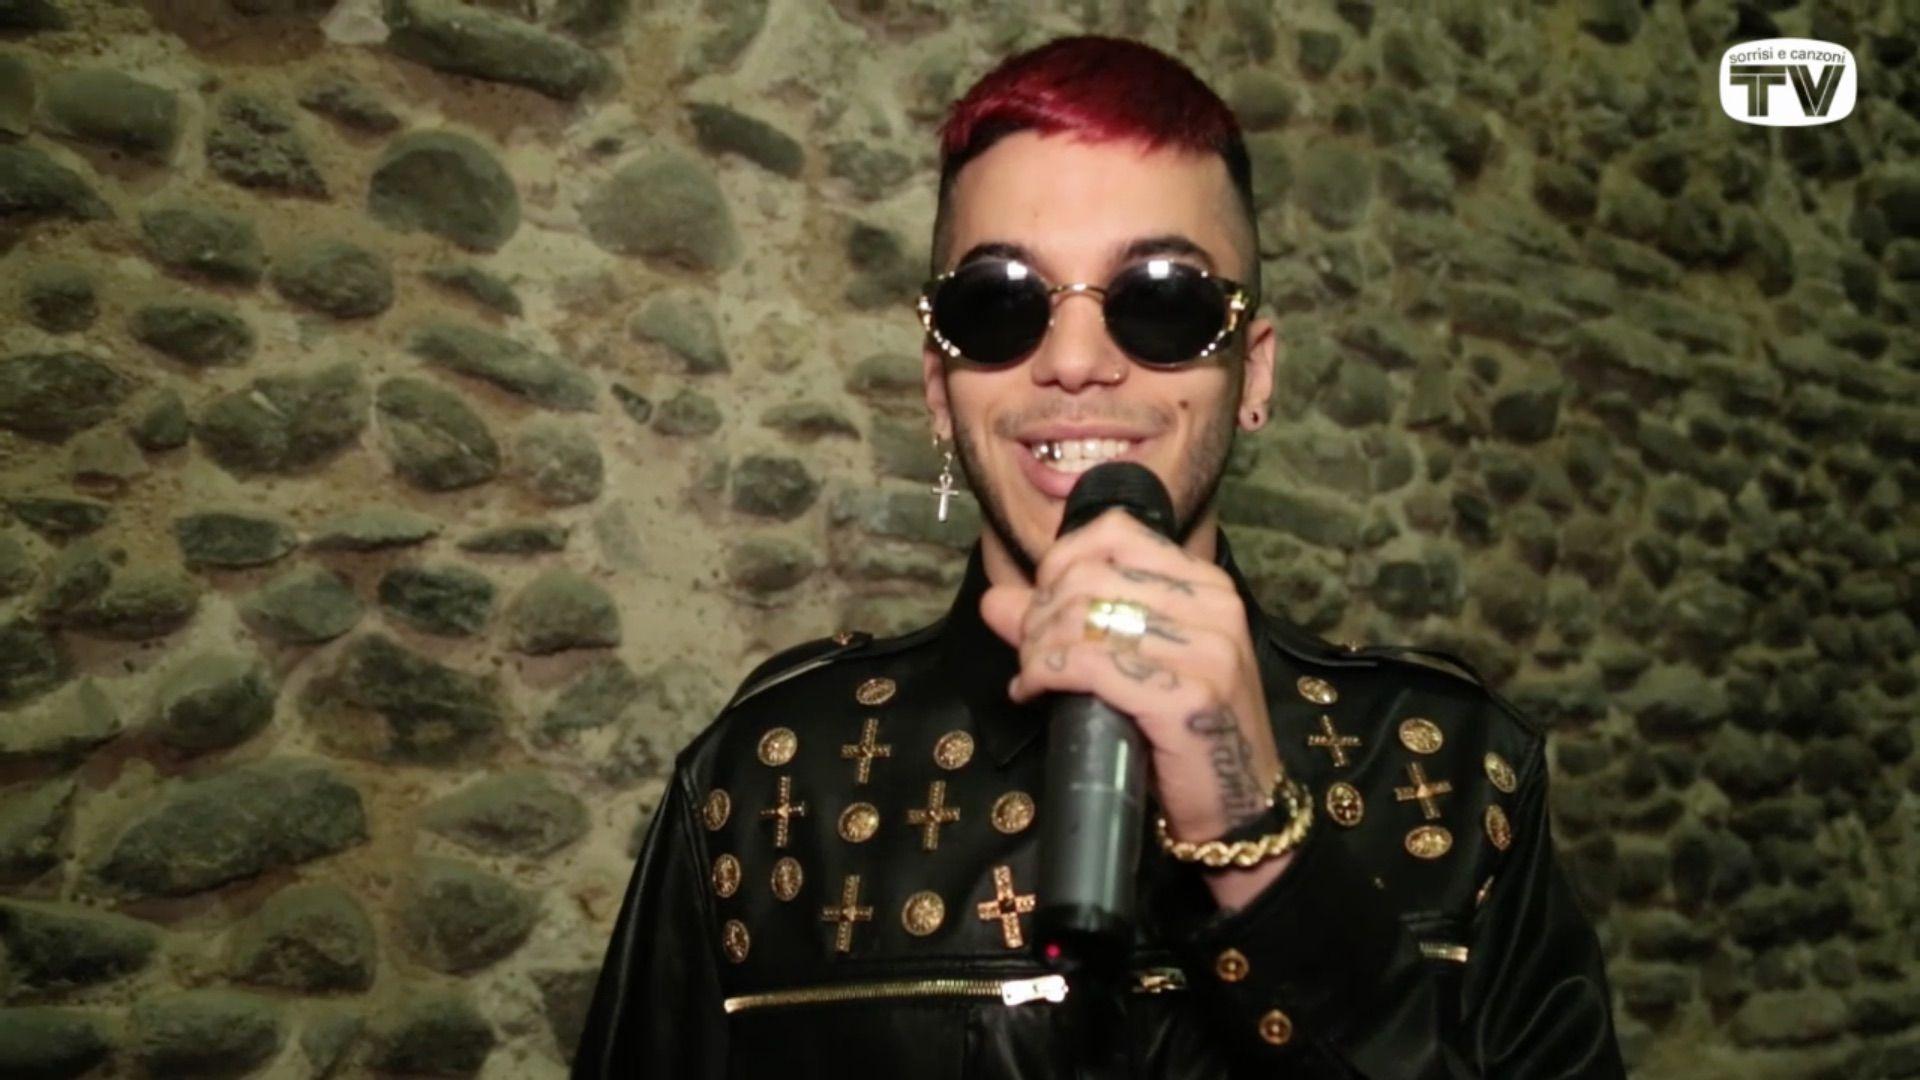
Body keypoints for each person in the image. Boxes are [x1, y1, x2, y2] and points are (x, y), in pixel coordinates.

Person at [573, 34, 1624, 1079]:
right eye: (1000, 302)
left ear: (1253, 373)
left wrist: (1259, 847)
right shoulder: (768, 781)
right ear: (939, 387)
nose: (1075, 362)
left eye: (1164, 299)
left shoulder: (1450, 771)